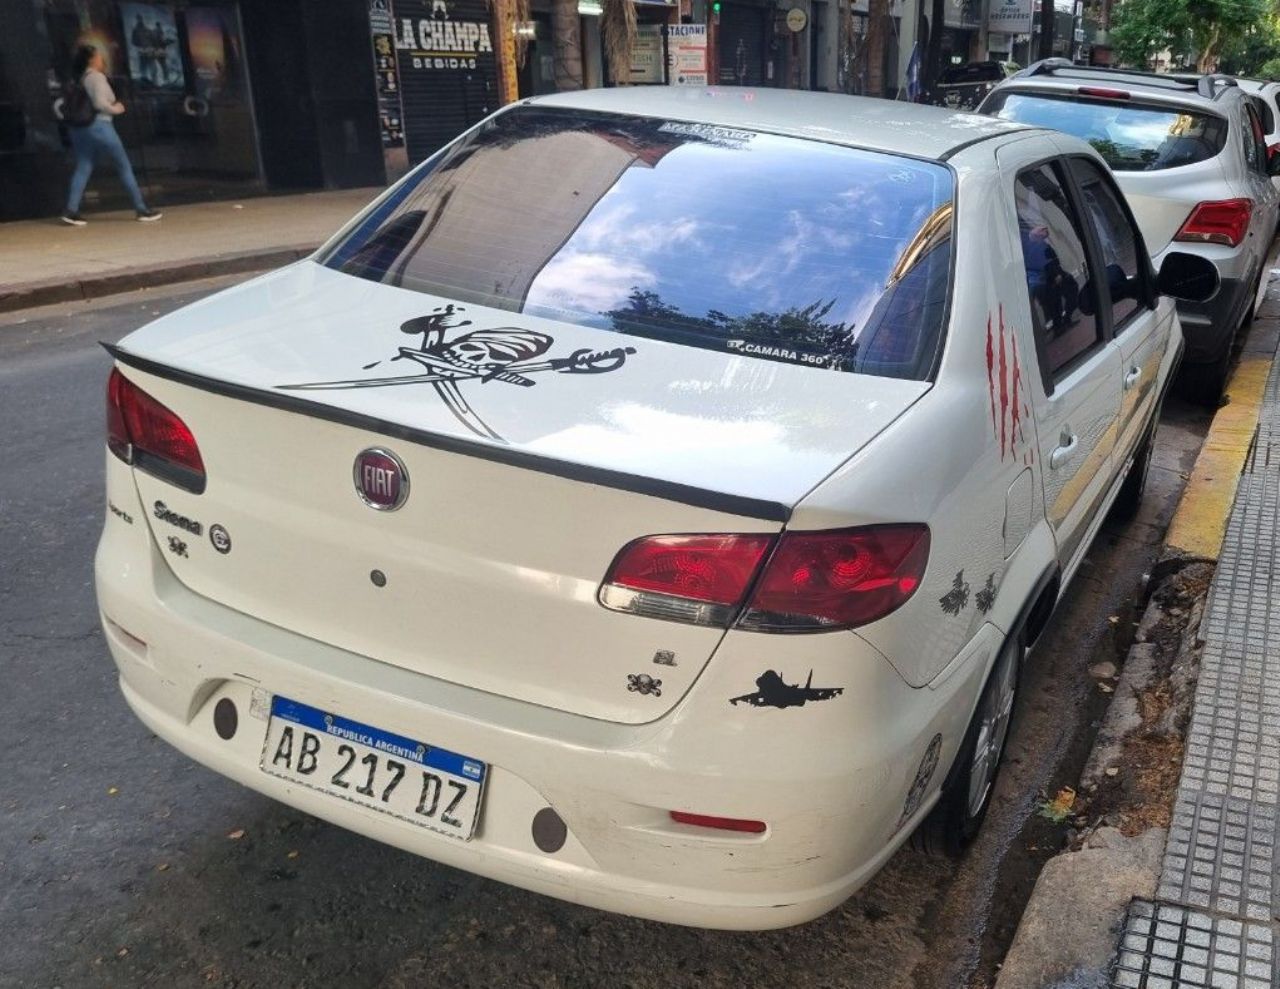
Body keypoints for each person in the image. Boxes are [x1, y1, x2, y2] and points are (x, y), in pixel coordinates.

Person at [62, 45, 161, 226]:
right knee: (123, 166)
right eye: (99, 56)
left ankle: (71, 209)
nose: (102, 59)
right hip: (100, 126)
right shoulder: (97, 78)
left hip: (80, 129)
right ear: (92, 59)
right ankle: (141, 209)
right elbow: (100, 103)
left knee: (83, 166)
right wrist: (117, 108)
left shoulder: (78, 79)